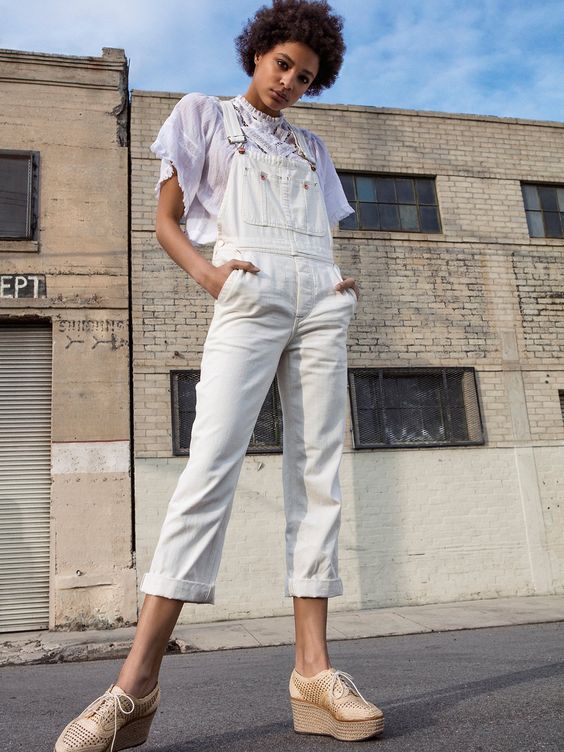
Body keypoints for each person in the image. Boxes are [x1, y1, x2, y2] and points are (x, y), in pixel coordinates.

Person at [53, 1, 384, 749]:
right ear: (258, 52)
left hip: (320, 300)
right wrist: (210, 278)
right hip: (249, 293)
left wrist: (334, 282)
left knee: (320, 475)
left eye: (305, 76)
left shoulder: (312, 149)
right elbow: (166, 219)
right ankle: (133, 686)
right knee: (209, 470)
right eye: (283, 65)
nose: (291, 82)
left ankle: (314, 673)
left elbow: (316, 233)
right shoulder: (204, 116)